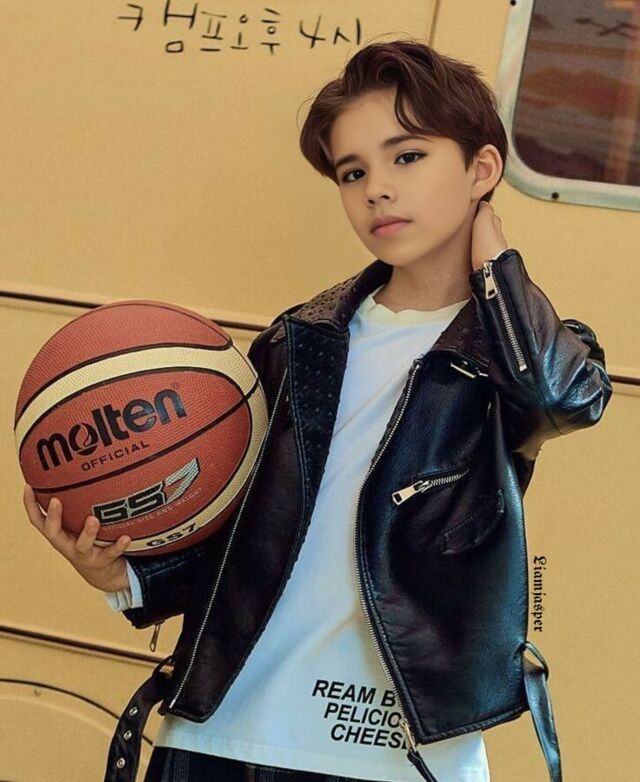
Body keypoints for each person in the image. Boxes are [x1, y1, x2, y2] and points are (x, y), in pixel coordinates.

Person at [24, 39, 611, 782]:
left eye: (408, 157)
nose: (377, 190)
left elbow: (561, 398)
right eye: (352, 172)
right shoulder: (299, 340)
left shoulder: (520, 351)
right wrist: (125, 577)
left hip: (397, 754)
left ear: (482, 168)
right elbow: (249, 528)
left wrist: (497, 264)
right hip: (222, 734)